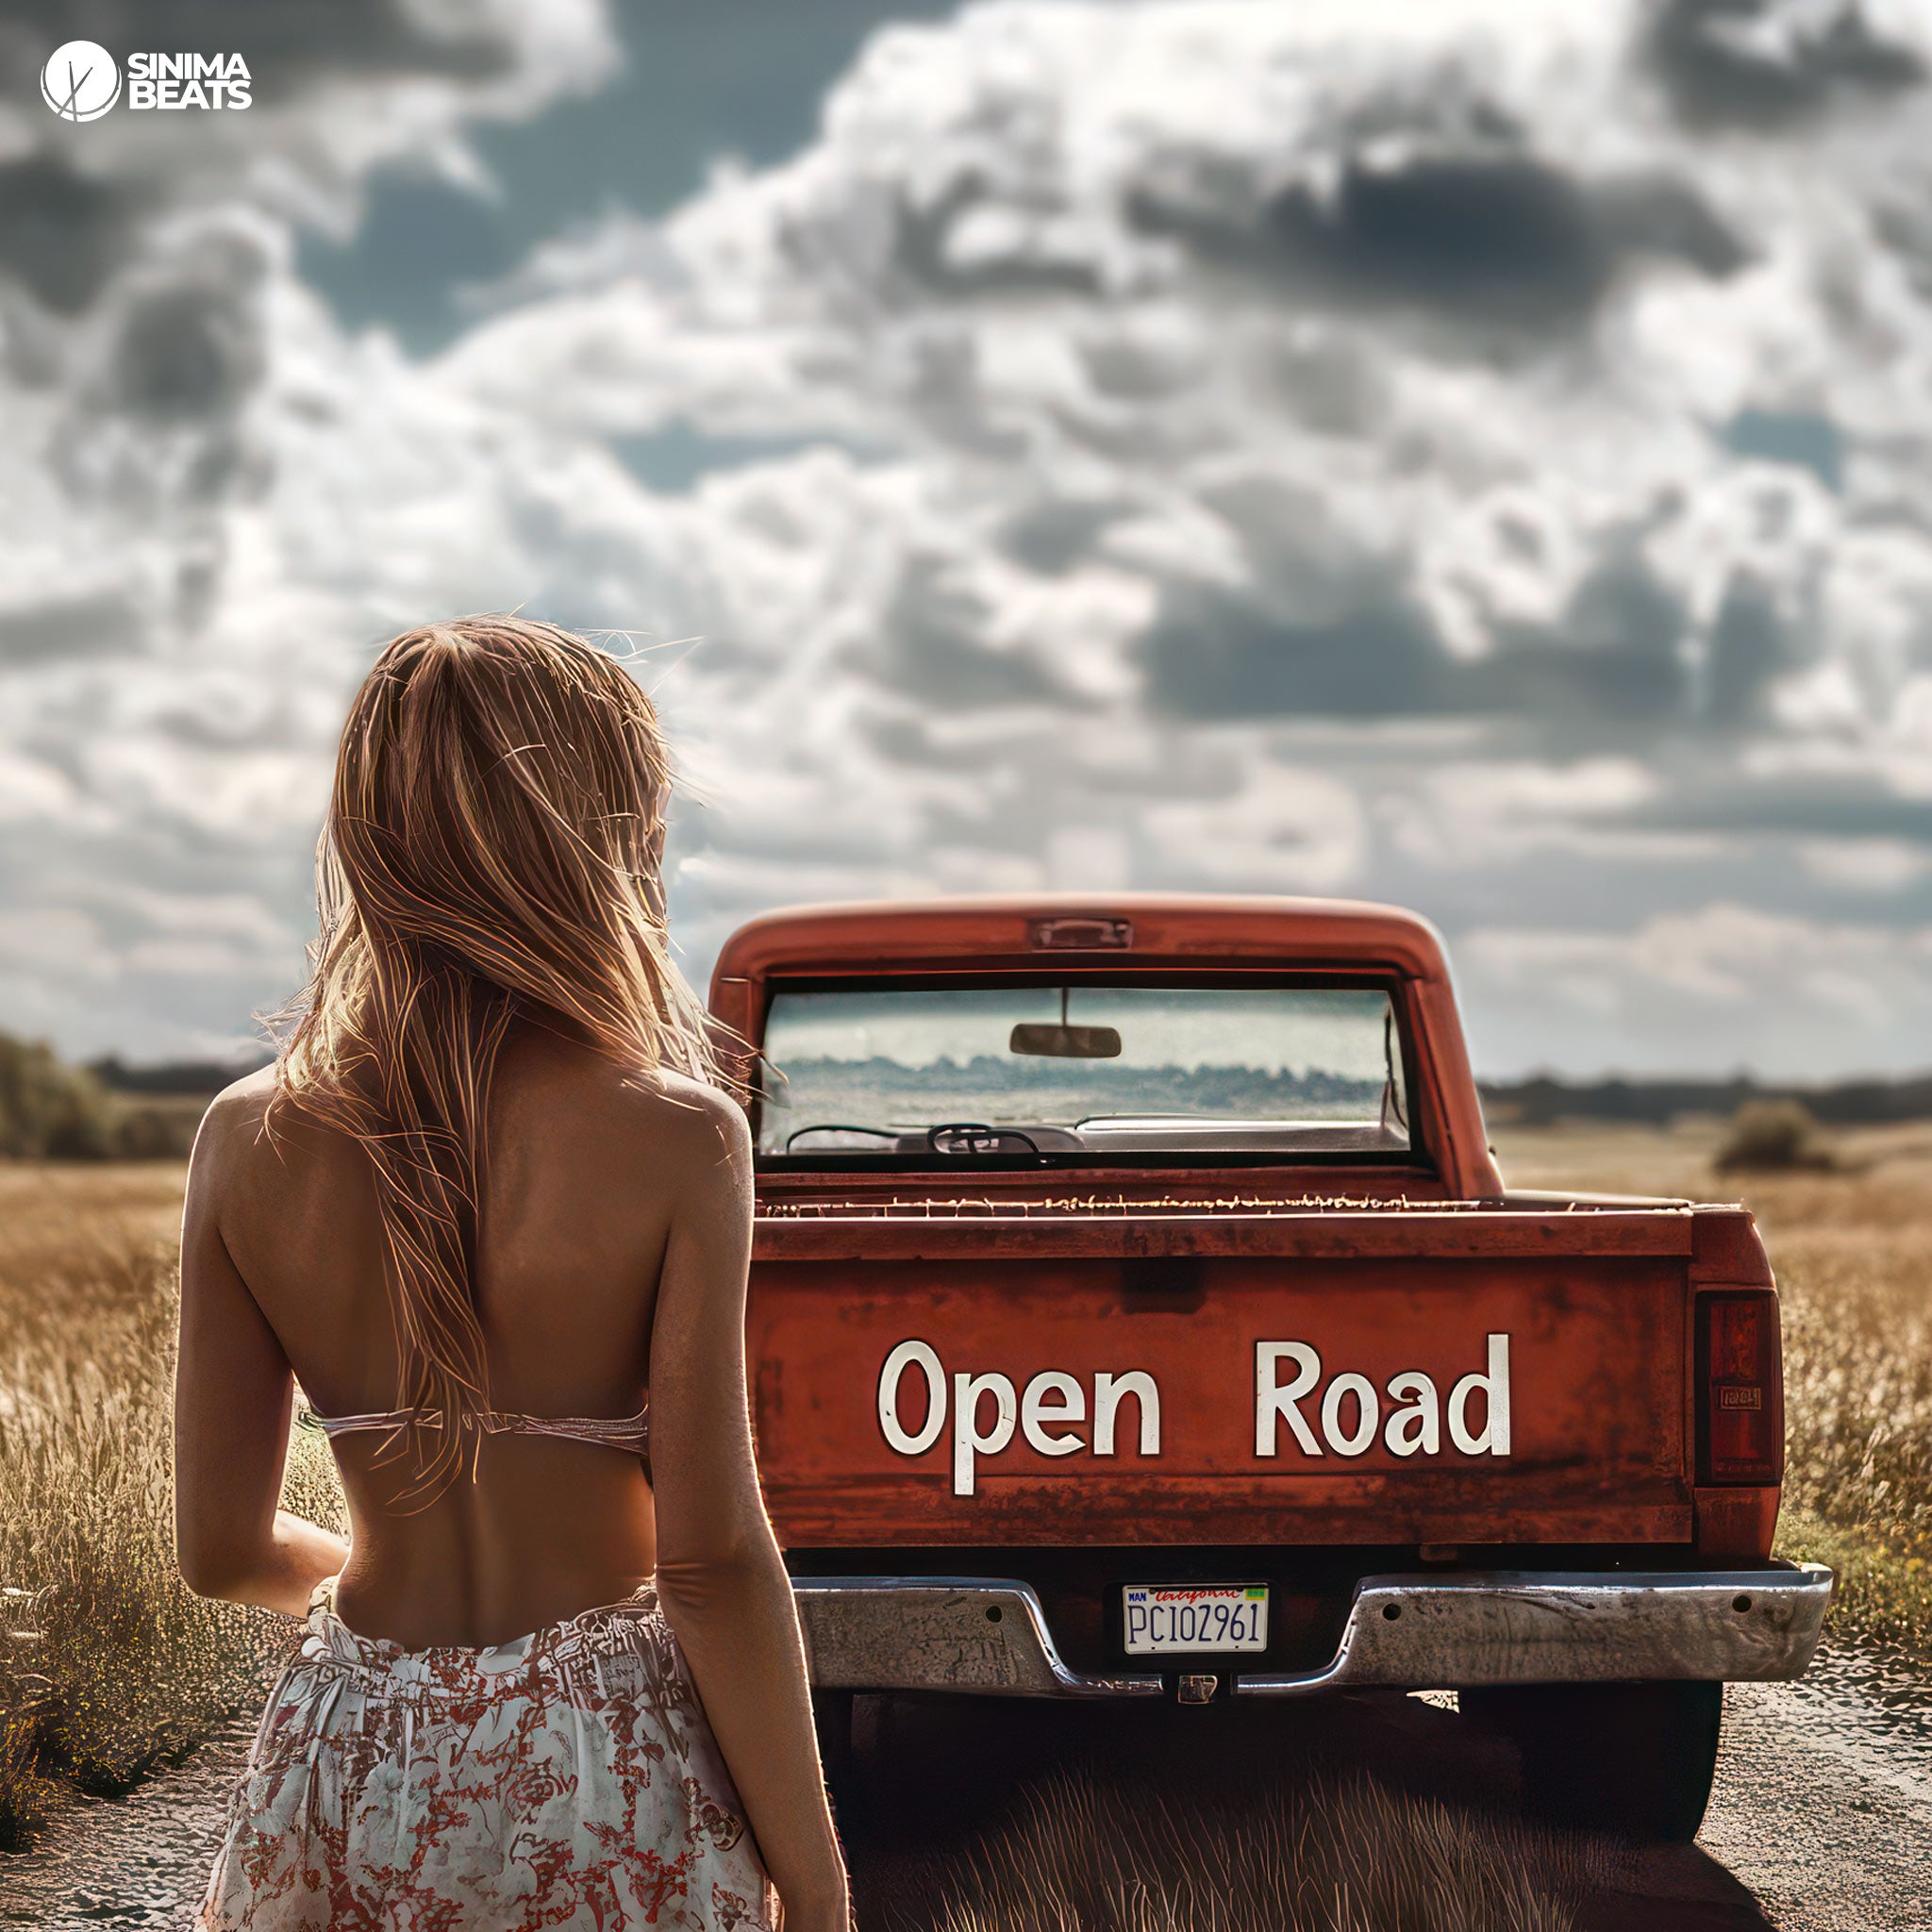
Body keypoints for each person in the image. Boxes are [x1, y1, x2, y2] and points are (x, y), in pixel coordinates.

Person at [174, 616, 849, 1931]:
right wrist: (818, 1893)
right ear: (596, 838)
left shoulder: (246, 1137)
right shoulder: (676, 1135)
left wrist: (418, 1666)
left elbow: (218, 1550)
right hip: (602, 1764)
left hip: (346, 1756)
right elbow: (709, 1566)